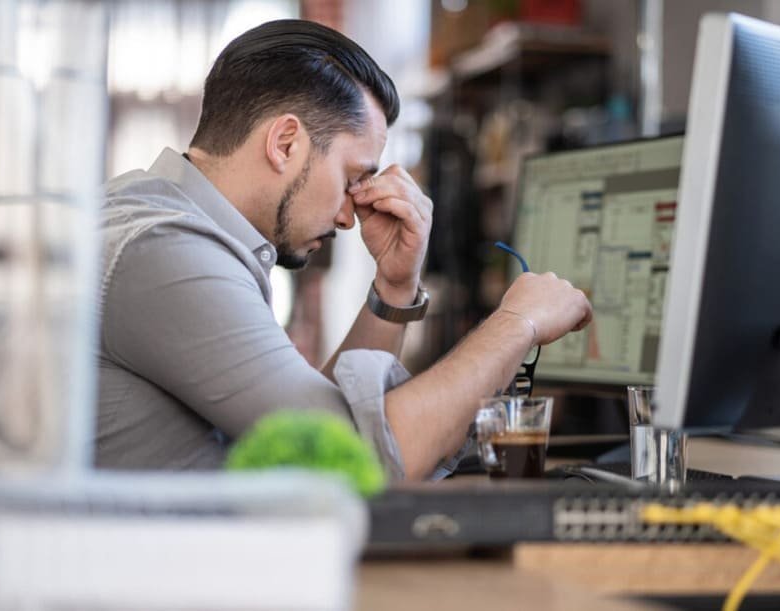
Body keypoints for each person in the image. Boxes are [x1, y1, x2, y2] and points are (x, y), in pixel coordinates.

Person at [96, 19, 592, 480]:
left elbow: (315, 436)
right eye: (353, 177)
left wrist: (394, 289)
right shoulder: (165, 250)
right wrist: (516, 323)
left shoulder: (171, 229)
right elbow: (353, 460)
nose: (348, 216)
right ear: (285, 143)